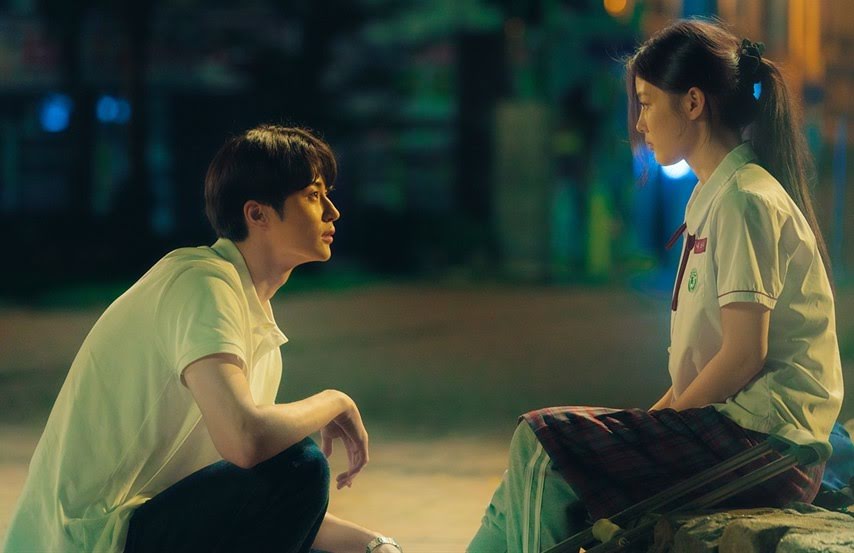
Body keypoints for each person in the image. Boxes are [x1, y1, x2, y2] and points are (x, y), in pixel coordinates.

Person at [468, 19, 843, 553]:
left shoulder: (746, 199)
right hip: (733, 430)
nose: (640, 123)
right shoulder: (718, 196)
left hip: (768, 446)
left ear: (692, 103)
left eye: (646, 103)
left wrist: (654, 428)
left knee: (542, 441)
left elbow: (743, 355)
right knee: (532, 468)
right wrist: (648, 426)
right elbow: (705, 365)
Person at [3, 125, 403, 553]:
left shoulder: (254, 324)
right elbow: (246, 442)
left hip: (135, 533)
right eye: (313, 195)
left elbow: (256, 502)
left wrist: (376, 545)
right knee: (299, 464)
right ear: (257, 215)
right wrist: (334, 401)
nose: (332, 211)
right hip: (87, 542)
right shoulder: (200, 283)